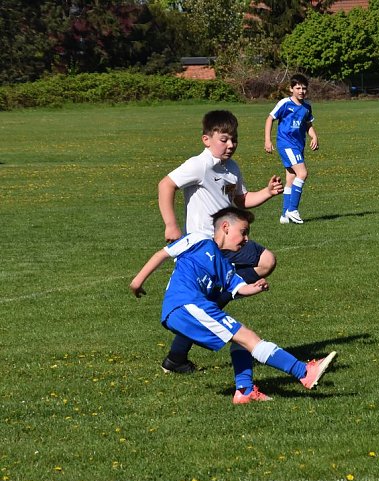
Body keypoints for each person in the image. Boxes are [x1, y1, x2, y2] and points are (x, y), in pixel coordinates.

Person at [131, 207, 337, 404]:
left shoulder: (223, 264)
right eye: (243, 232)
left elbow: (238, 288)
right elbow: (163, 254)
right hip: (186, 305)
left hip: (188, 309)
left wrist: (256, 287)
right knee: (248, 337)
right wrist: (137, 282)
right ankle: (303, 372)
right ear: (225, 227)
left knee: (241, 340)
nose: (246, 239)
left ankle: (244, 391)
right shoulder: (198, 239)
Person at [159, 109, 284, 374]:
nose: (230, 145)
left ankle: (177, 356)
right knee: (216, 294)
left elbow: (239, 201)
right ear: (207, 139)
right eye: (224, 139)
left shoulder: (232, 168)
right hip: (203, 248)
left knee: (264, 261)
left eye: (234, 140)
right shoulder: (199, 165)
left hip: (226, 244)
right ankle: (178, 355)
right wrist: (171, 224)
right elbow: (166, 184)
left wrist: (267, 192)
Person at [264, 73, 319, 224]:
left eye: (304, 88)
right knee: (302, 173)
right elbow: (270, 118)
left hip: (298, 145)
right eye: (298, 88)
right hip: (286, 144)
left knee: (291, 177)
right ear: (291, 89)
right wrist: (267, 140)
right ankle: (293, 209)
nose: (301, 91)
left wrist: (314, 136)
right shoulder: (285, 103)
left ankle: (284, 216)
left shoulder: (307, 107)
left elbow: (308, 124)